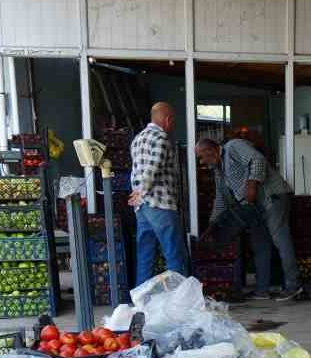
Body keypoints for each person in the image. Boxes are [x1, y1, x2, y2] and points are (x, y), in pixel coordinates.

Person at [197, 136, 299, 300]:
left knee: (280, 239)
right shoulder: (218, 170)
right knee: (260, 246)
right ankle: (262, 290)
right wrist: (212, 224)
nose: (201, 161)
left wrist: (252, 183)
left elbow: (257, 159)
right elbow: (221, 199)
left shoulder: (233, 147)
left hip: (272, 197)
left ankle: (293, 286)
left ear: (210, 150)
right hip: (255, 208)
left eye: (201, 156)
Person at [127, 102, 189, 288]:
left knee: (145, 255)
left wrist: (138, 197)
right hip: (160, 204)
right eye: (173, 120)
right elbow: (152, 170)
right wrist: (140, 193)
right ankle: (181, 300)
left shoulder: (137, 139)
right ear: (168, 119)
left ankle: (142, 301)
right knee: (174, 253)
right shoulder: (161, 138)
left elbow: (136, 171)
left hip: (142, 208)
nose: (173, 124)